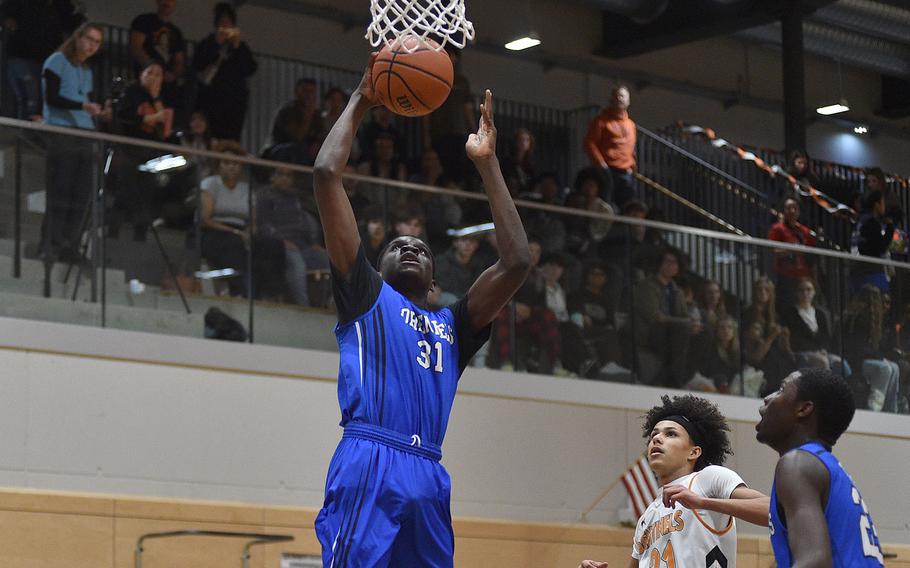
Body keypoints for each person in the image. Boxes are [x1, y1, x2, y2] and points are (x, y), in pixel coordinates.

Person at [312, 53, 530, 567]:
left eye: (421, 250)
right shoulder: (365, 295)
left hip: (429, 469)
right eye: (396, 246)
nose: (409, 248)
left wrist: (488, 164)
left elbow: (517, 260)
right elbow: (326, 174)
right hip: (371, 456)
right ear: (376, 265)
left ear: (435, 284)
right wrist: (363, 98)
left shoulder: (453, 326)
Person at [579, 395, 769, 568]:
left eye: (670, 434)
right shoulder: (646, 517)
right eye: (654, 435)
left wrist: (703, 503)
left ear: (693, 452)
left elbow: (773, 509)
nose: (657, 439)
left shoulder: (707, 478)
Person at [755, 368, 886, 567]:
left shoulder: (797, 464)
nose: (767, 399)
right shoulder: (821, 467)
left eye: (781, 389)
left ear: (804, 409)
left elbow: (814, 562)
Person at [39, 22, 105, 262]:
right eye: (89, 39)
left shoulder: (86, 71)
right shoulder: (57, 61)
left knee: (81, 194)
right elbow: (53, 97)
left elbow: (82, 100)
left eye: (97, 42)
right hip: (62, 131)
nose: (92, 46)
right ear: (78, 38)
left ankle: (71, 244)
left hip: (84, 135)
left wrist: (94, 111)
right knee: (61, 190)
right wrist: (82, 106)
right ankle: (51, 243)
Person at [199, 146, 286, 299]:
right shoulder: (210, 183)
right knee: (234, 245)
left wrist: (249, 232)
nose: (232, 167)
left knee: (272, 245)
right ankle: (239, 291)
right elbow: (205, 219)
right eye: (227, 162)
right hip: (216, 231)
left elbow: (253, 220)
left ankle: (270, 294)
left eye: (236, 163)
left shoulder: (247, 189)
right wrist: (235, 232)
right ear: (219, 164)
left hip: (242, 231)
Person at [256, 167, 329, 306]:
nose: (285, 178)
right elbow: (263, 224)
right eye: (281, 174)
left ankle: (327, 305)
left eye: (288, 176)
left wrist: (314, 242)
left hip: (303, 245)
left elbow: (306, 222)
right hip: (280, 245)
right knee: (297, 265)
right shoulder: (265, 196)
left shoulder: (296, 199)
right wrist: (281, 240)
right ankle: (304, 307)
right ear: (272, 177)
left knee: (327, 261)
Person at [0, 0, 84, 120]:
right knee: (30, 98)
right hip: (23, 53)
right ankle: (26, 132)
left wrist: (79, 14)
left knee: (42, 99)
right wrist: (9, 23)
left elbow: (70, 23)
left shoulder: (60, 5)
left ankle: (35, 132)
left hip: (47, 58)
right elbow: (4, 11)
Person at [632, 248, 702, 387]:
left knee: (704, 334)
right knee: (681, 329)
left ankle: (683, 376)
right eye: (667, 261)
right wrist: (686, 322)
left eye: (674, 262)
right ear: (659, 263)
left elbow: (684, 316)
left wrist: (693, 325)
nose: (671, 265)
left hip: (674, 333)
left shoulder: (676, 290)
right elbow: (656, 317)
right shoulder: (646, 286)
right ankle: (675, 381)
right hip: (651, 332)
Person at [192, 2, 257, 141]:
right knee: (208, 136)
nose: (225, 27)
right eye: (222, 23)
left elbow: (251, 68)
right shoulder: (206, 44)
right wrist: (216, 44)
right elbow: (197, 65)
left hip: (234, 102)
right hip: (210, 99)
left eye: (228, 23)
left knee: (231, 138)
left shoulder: (240, 47)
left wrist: (237, 46)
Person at [843, 285, 900, 412]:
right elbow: (857, 346)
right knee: (884, 368)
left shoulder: (875, 321)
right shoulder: (857, 318)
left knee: (895, 368)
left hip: (868, 357)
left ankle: (890, 408)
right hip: (856, 360)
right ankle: (874, 407)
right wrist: (879, 357)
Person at [423, 46, 475, 183]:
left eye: (450, 55)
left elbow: (467, 107)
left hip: (459, 130)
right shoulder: (434, 78)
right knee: (442, 168)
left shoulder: (462, 81)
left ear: (456, 58)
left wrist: (473, 130)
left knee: (459, 168)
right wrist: (426, 133)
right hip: (440, 130)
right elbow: (428, 108)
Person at [129, 0, 186, 118]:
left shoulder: (176, 33)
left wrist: (173, 74)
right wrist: (153, 70)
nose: (167, 2)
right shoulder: (144, 21)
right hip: (143, 80)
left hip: (166, 86)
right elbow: (136, 47)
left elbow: (179, 61)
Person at [584, 85, 636, 208]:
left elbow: (631, 148)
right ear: (611, 100)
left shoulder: (631, 125)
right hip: (607, 169)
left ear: (628, 101)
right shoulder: (601, 120)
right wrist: (600, 163)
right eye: (616, 96)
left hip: (626, 172)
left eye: (622, 96)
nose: (619, 98)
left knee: (627, 205)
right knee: (606, 203)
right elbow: (589, 143)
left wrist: (633, 166)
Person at [767, 197, 817, 308]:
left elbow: (811, 253)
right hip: (786, 276)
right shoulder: (777, 229)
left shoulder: (805, 231)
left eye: (795, 208)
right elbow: (772, 250)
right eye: (788, 208)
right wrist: (791, 249)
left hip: (804, 277)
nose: (792, 211)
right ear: (783, 211)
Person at [850, 190, 894, 294]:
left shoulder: (861, 220)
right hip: (871, 271)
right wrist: (890, 228)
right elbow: (881, 248)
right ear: (876, 205)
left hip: (858, 269)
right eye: (883, 203)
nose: (884, 207)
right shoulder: (872, 223)